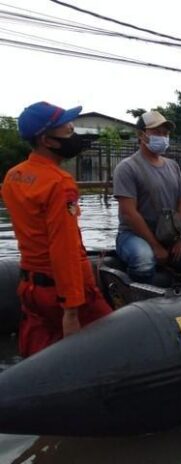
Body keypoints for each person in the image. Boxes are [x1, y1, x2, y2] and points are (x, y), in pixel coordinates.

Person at [2, 101, 112, 356]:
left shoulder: (13, 176)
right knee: (112, 347)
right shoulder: (60, 184)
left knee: (36, 360)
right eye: (66, 128)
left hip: (30, 288)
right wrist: (71, 309)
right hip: (62, 291)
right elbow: (64, 248)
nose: (73, 130)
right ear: (47, 140)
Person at [113, 110, 181, 283]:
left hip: (171, 236)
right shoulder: (127, 167)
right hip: (133, 235)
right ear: (141, 135)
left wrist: (179, 237)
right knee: (143, 263)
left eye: (165, 133)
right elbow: (129, 213)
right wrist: (155, 246)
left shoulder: (172, 166)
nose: (162, 137)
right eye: (156, 133)